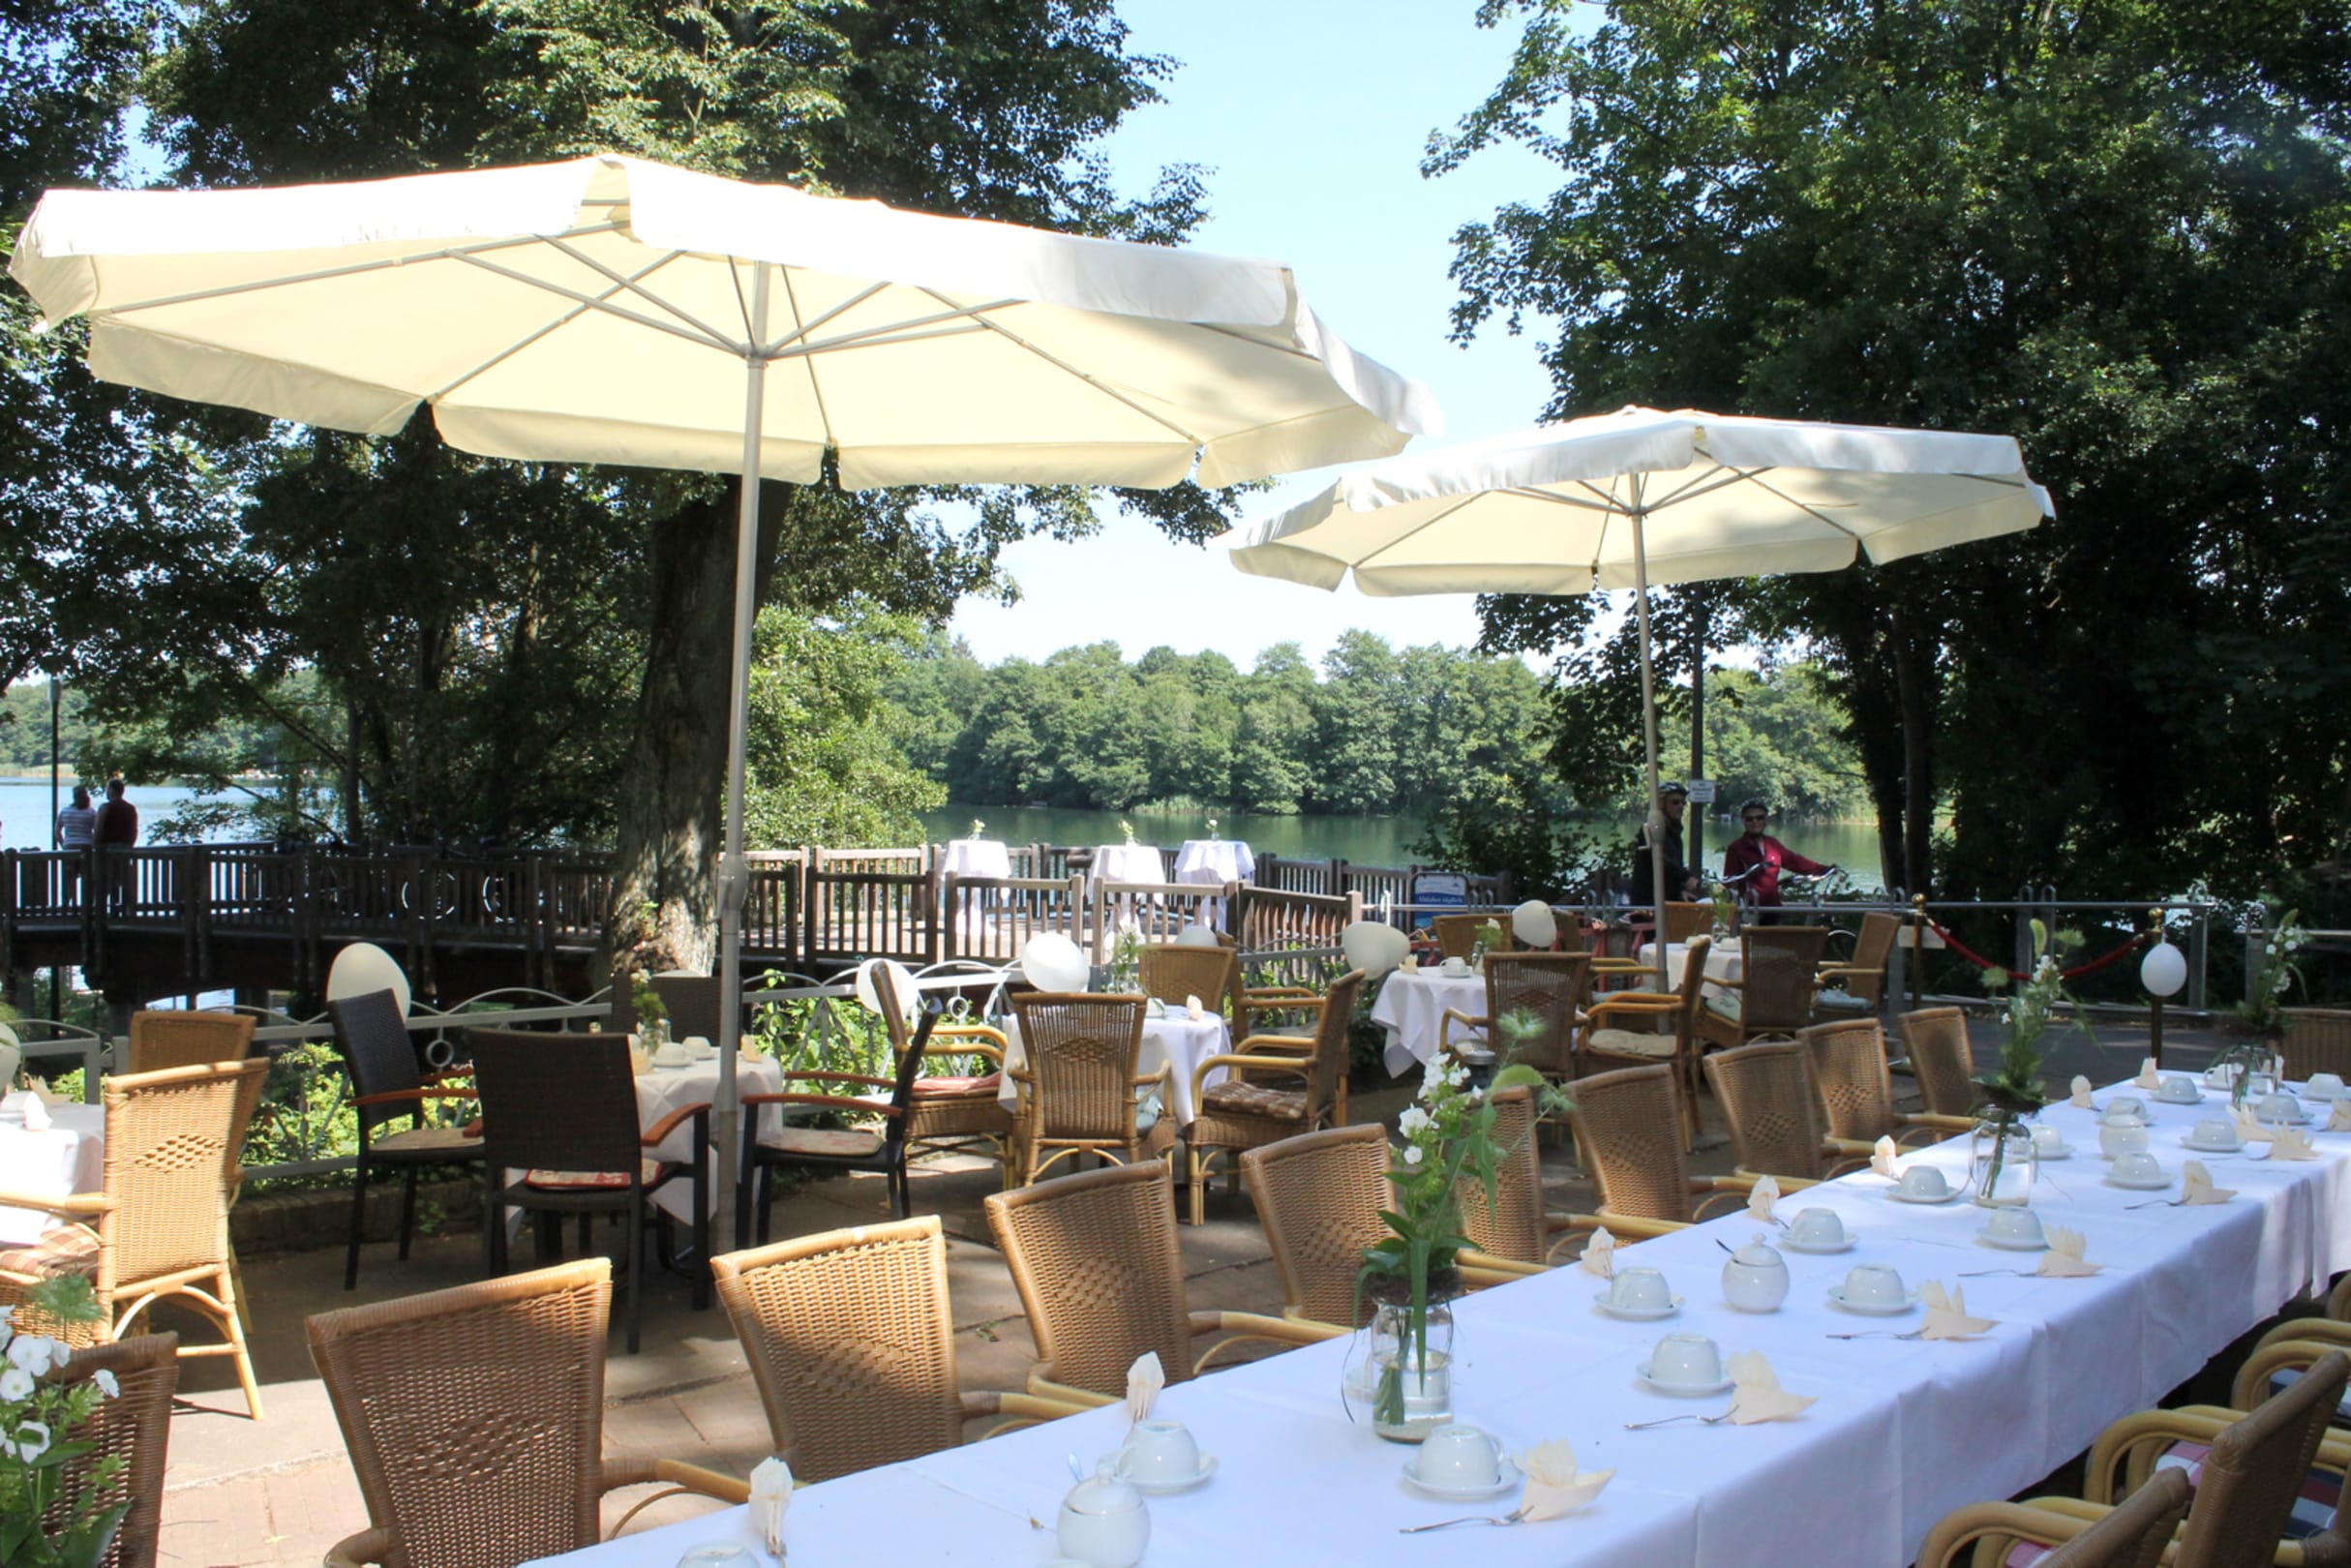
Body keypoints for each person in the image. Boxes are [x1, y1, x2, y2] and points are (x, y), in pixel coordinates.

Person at [1721, 799, 1834, 912]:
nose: (1755, 822)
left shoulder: (1772, 844)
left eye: (1759, 817)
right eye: (1749, 819)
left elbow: (1794, 861)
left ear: (1766, 819)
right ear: (1744, 821)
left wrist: (1823, 869)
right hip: (1750, 909)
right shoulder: (1736, 848)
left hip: (1773, 907)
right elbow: (1729, 880)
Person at [1630, 781, 1702, 904]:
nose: (1681, 806)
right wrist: (1687, 877)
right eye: (1675, 802)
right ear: (1662, 804)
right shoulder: (1650, 830)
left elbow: (1673, 867)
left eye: (1683, 802)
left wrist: (1680, 890)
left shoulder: (1674, 832)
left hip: (1667, 900)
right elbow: (1662, 861)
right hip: (1648, 903)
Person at [94, 776, 138, 914]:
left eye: (107, 789)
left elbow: (98, 828)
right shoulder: (130, 808)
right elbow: (134, 830)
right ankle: (126, 912)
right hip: (125, 849)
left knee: (104, 882)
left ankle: (100, 913)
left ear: (112, 790)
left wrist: (95, 846)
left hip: (107, 850)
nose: (106, 792)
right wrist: (130, 846)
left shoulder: (106, 807)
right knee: (124, 882)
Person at [54, 784, 97, 850]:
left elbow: (57, 831)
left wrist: (63, 844)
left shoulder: (65, 811)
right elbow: (97, 830)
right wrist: (93, 844)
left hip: (69, 844)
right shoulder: (91, 812)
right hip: (86, 844)